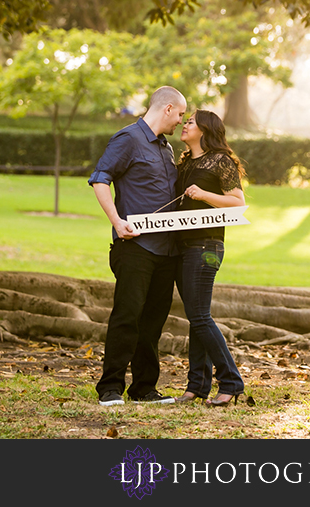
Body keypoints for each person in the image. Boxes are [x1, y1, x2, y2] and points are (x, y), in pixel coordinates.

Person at [88, 86, 187, 406]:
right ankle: (110, 388)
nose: (181, 122)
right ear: (168, 108)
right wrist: (117, 222)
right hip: (135, 249)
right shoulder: (127, 139)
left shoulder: (165, 148)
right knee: (127, 317)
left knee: (153, 323)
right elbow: (100, 179)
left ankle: (144, 388)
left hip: (167, 252)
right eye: (181, 115)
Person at [173, 109, 247, 407]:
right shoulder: (186, 161)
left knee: (200, 317)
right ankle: (197, 385)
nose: (183, 124)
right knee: (195, 317)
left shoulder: (221, 160)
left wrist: (204, 195)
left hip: (207, 247)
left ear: (204, 129)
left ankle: (231, 381)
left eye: (189, 122)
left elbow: (237, 203)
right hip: (183, 245)